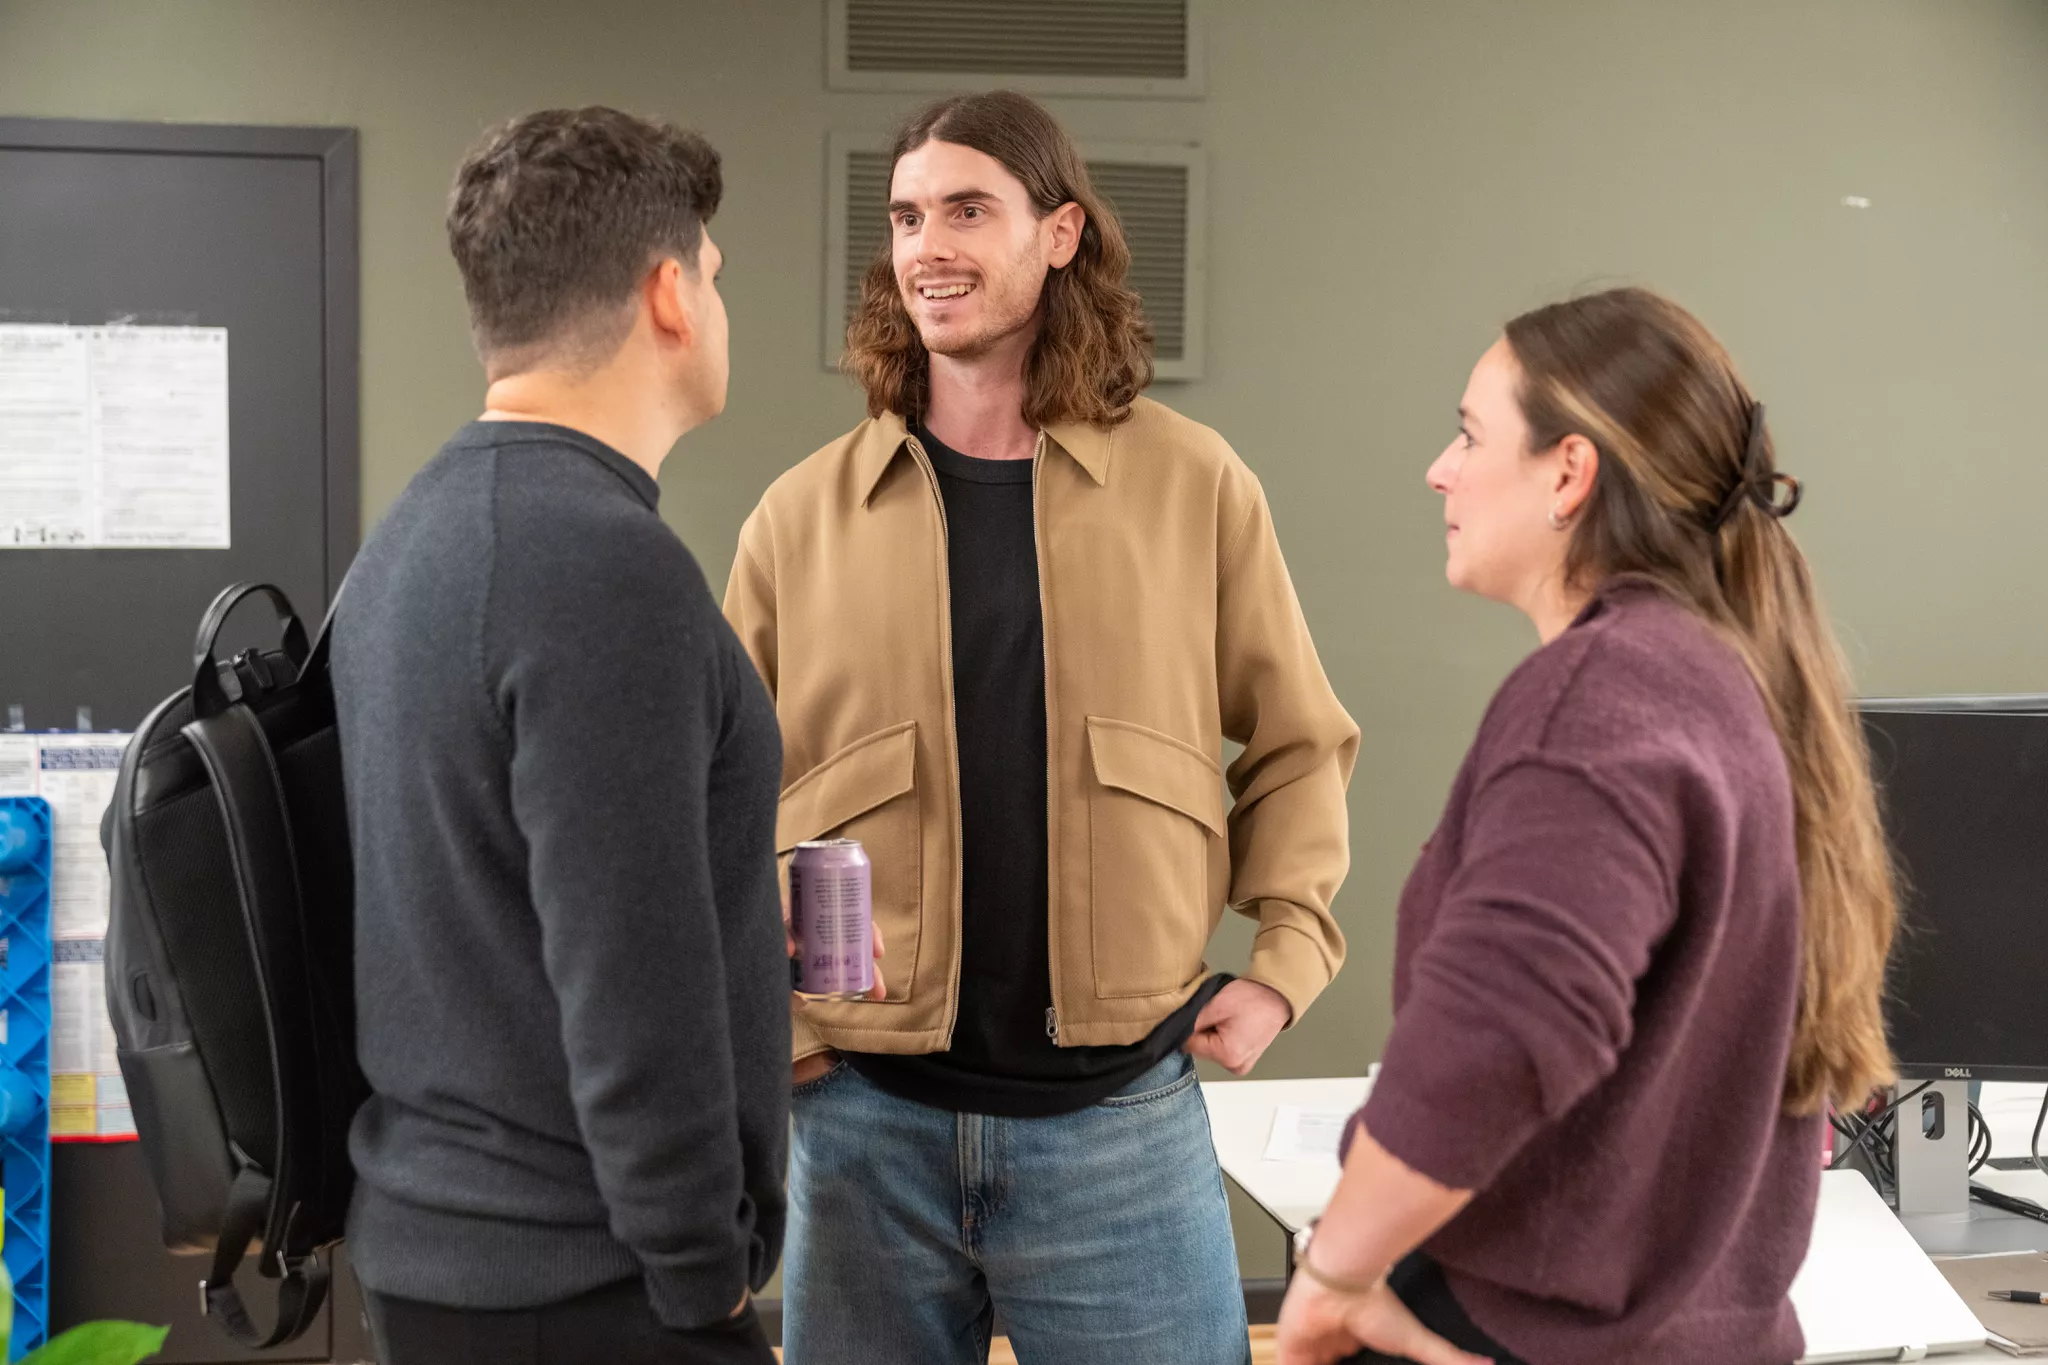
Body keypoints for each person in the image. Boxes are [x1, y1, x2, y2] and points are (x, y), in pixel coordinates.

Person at [723, 90, 1359, 1364]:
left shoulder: (1193, 485)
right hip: (860, 1129)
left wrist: (1285, 959)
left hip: (1116, 1128)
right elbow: (713, 799)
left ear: (1060, 234)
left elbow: (1297, 741)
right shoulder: (798, 517)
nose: (927, 246)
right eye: (906, 217)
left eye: (967, 210)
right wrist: (775, 1031)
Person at [1275, 287, 1899, 1365]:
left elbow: (1498, 1036)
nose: (1439, 470)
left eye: (1470, 435)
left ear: (1569, 472)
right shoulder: (1723, 678)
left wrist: (1333, 1271)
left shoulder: (1599, 695)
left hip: (1519, 1335)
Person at [332, 108, 786, 1365]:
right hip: (591, 1285)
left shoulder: (411, 540)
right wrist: (703, 1276)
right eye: (714, 276)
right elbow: (626, 972)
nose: (715, 305)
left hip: (454, 1258)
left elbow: (496, 901)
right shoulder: (603, 568)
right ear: (669, 295)